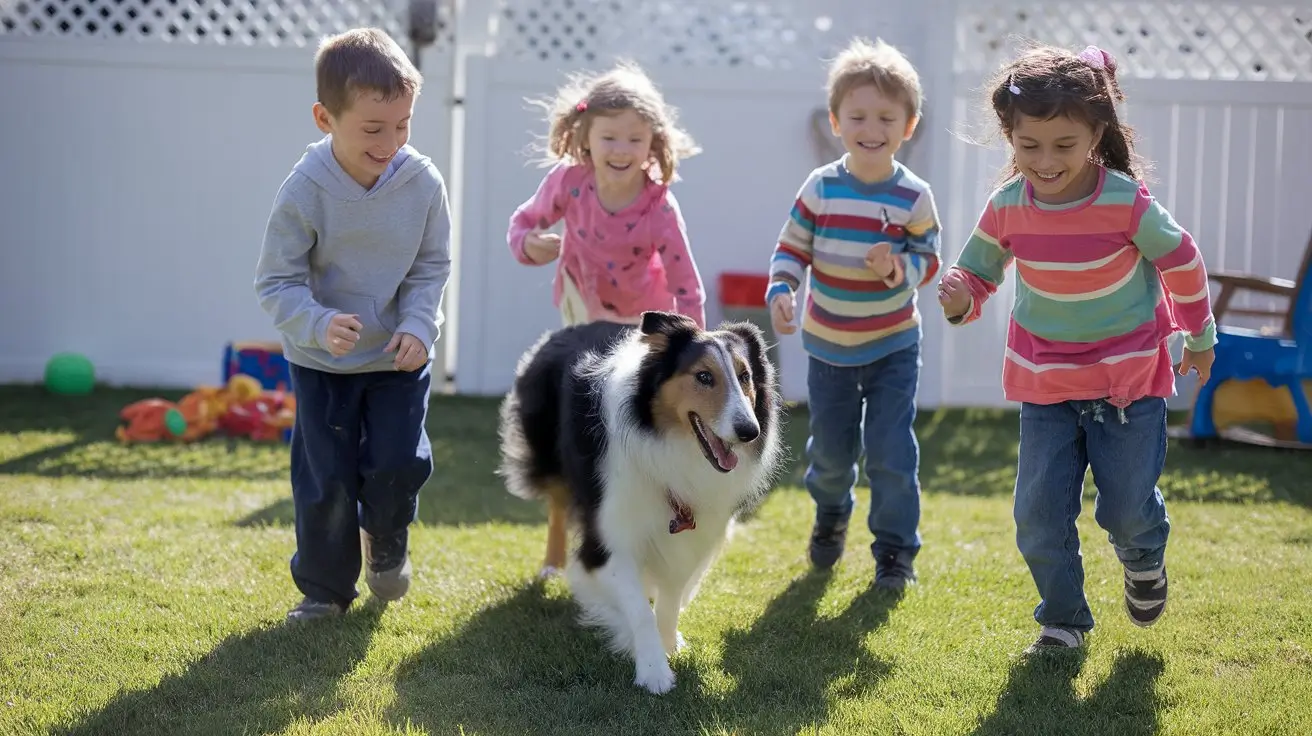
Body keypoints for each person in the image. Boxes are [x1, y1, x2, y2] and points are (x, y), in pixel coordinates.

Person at [937, 43, 1216, 652]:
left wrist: (1199, 335)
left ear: (1097, 133)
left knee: (1127, 508)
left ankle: (1143, 557)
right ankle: (1062, 621)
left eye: (1063, 146)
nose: (1044, 161)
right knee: (1038, 518)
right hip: (1047, 385)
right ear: (1009, 135)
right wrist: (960, 295)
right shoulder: (1009, 206)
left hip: (1128, 386)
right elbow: (977, 274)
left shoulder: (1124, 201)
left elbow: (1184, 261)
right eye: (1027, 145)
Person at [253, 27, 453, 622]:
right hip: (323, 365)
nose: (391, 141)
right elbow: (275, 282)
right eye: (373, 129)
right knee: (326, 481)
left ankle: (386, 539)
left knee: (395, 463)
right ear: (325, 117)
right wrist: (316, 323)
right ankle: (324, 591)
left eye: (404, 125)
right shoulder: (305, 191)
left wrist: (420, 326)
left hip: (397, 358)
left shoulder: (421, 183)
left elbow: (431, 265)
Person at [767, 37, 942, 591]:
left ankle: (895, 552)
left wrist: (899, 270)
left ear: (908, 125)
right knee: (835, 453)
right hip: (828, 346)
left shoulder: (914, 196)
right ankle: (831, 510)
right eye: (858, 115)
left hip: (893, 343)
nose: (872, 127)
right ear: (837, 122)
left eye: (886, 117)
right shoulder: (820, 188)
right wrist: (782, 288)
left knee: (892, 451)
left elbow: (929, 257)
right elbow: (791, 248)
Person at [507, 61, 707, 328]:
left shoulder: (658, 209)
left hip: (641, 319)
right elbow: (523, 221)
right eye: (609, 137)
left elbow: (686, 286)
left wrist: (692, 346)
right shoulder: (570, 181)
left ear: (652, 143)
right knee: (584, 367)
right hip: (580, 304)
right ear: (586, 136)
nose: (621, 149)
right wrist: (527, 245)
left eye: (635, 139)